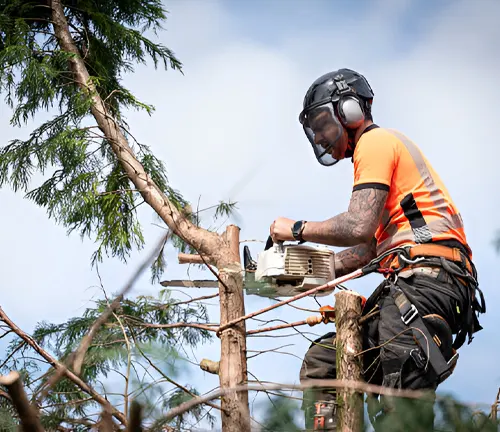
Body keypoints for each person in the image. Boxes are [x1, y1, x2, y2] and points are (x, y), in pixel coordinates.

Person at [269, 68, 486, 431]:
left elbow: (357, 225)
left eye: (323, 122)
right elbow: (363, 250)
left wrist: (296, 229)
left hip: (429, 283)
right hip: (411, 284)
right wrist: (291, 272)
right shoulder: (377, 170)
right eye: (316, 127)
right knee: (325, 363)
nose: (321, 134)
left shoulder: (376, 142)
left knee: (399, 404)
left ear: (351, 110)